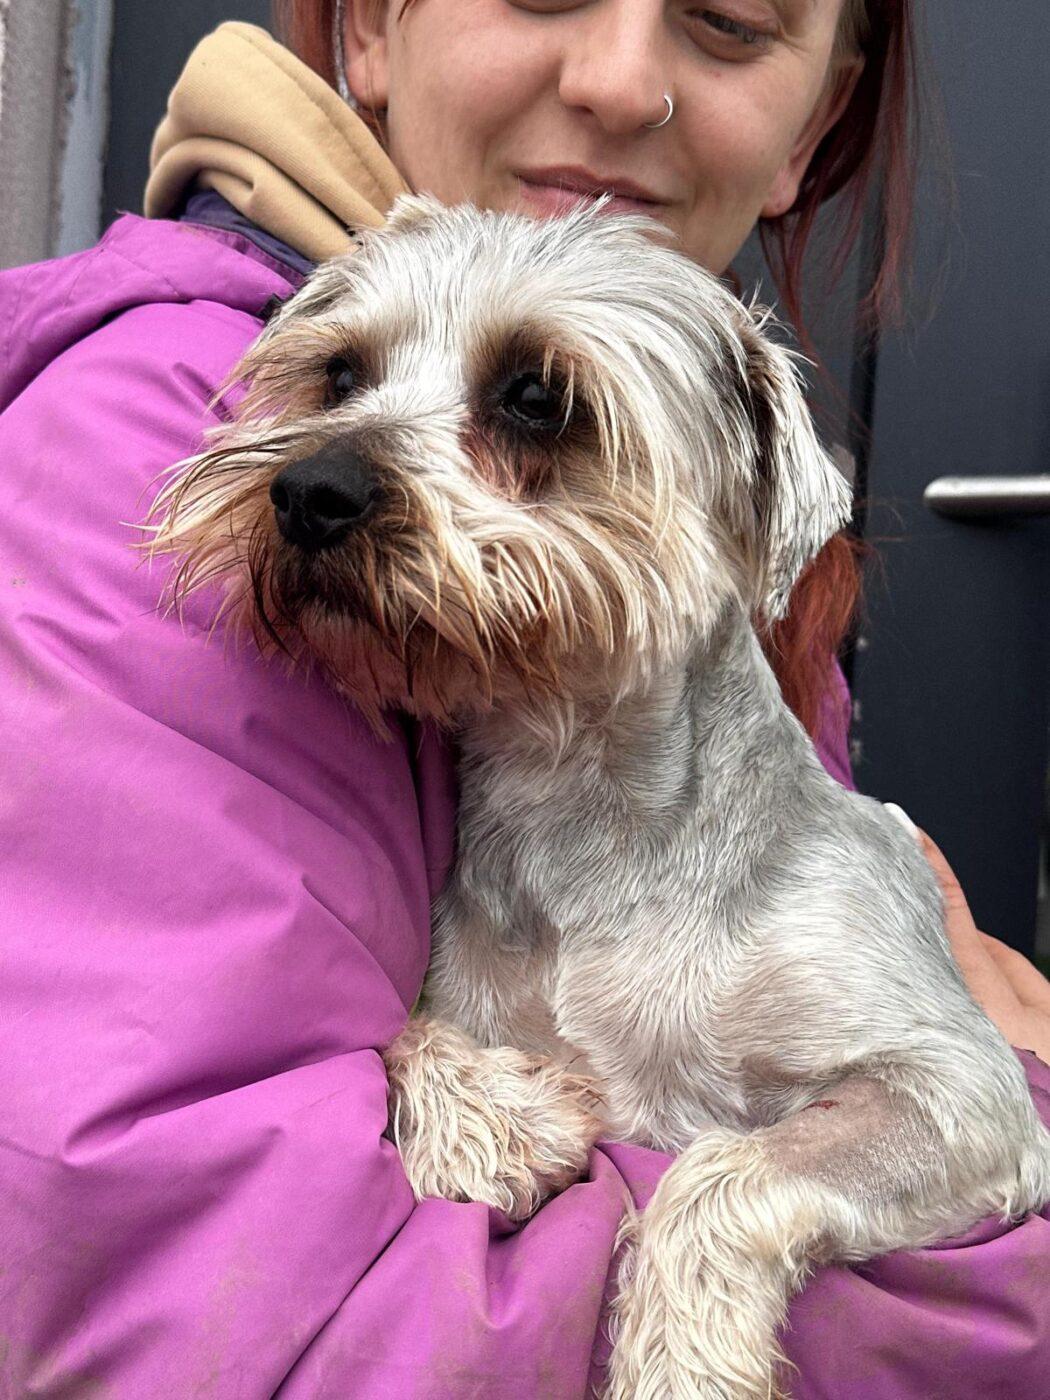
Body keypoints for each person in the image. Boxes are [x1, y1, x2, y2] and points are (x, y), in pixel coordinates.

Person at [0, 1, 1047, 1395]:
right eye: (341, 382)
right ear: (368, 27)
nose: (618, 83)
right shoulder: (129, 440)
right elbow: (188, 1287)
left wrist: (737, 1215)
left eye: (537, 409)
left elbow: (952, 1110)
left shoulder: (692, 635)